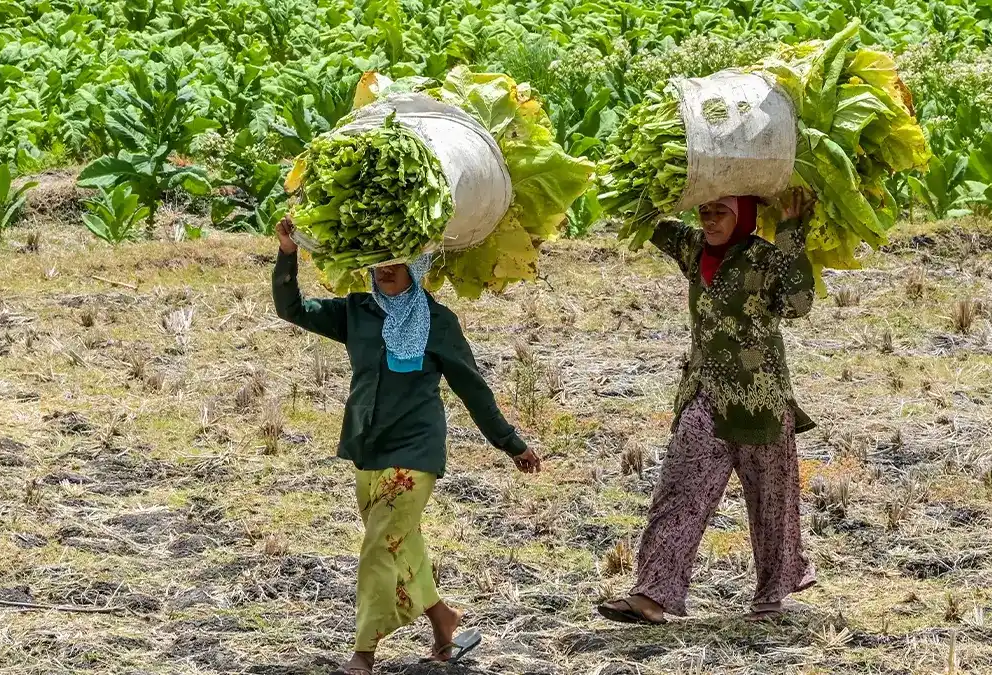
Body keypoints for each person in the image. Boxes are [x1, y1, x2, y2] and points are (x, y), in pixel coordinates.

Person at [271, 217, 542, 675]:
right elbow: (291, 308)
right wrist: (287, 252)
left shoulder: (438, 322)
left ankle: (364, 652)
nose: (386, 268)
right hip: (367, 448)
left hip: (416, 451)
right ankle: (443, 618)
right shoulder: (358, 311)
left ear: (418, 263)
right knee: (401, 543)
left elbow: (472, 389)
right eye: (379, 260)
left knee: (379, 546)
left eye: (398, 259)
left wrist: (510, 443)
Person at [598, 190, 818, 624]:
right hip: (703, 392)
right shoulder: (693, 247)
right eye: (705, 211)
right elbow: (639, 214)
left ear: (744, 217)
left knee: (771, 500)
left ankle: (772, 596)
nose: (711, 221)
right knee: (678, 490)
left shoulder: (764, 258)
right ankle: (652, 595)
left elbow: (798, 304)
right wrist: (660, 182)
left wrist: (793, 229)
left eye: (721, 212)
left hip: (760, 399)